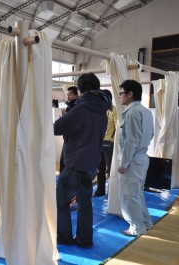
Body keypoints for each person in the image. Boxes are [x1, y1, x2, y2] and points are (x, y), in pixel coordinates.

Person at [54, 73, 111, 248]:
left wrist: (64, 116)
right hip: (92, 164)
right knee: (85, 204)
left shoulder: (81, 109)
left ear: (79, 90)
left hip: (76, 165)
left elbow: (56, 128)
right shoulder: (103, 109)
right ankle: (84, 240)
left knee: (60, 202)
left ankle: (64, 237)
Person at [117, 79, 154, 237]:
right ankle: (145, 222)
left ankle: (137, 228)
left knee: (129, 196)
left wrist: (124, 163)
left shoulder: (132, 113)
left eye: (121, 93)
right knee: (137, 193)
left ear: (130, 94)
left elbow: (131, 141)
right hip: (142, 157)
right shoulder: (145, 111)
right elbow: (149, 135)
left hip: (132, 160)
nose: (120, 97)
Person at [94, 89, 118, 197]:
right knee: (99, 168)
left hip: (110, 143)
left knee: (110, 170)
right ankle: (100, 189)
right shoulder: (98, 110)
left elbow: (118, 127)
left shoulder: (114, 110)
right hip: (99, 143)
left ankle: (112, 192)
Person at [59, 86, 78, 174]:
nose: (68, 96)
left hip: (72, 139)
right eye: (67, 95)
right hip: (68, 137)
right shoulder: (70, 106)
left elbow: (71, 123)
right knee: (64, 160)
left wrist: (64, 118)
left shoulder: (75, 107)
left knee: (65, 161)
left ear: (76, 95)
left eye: (70, 94)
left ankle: (64, 181)